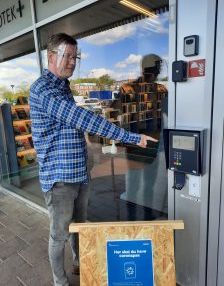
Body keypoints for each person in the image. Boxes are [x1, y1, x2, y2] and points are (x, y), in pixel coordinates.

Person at [29, 33, 158, 286]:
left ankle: (79, 262)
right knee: (58, 234)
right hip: (59, 178)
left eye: (75, 57)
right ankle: (60, 281)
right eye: (67, 56)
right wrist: (132, 138)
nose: (72, 63)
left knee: (81, 226)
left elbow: (72, 128)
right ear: (51, 56)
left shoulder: (64, 87)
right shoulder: (42, 89)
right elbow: (82, 119)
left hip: (79, 172)